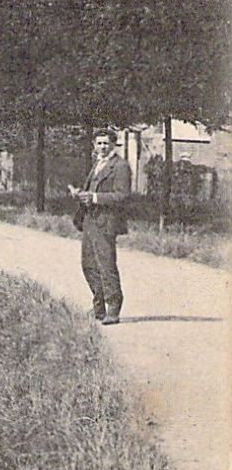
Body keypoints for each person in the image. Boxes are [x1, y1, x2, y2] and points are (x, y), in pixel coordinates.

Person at [72, 130, 130, 325]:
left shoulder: (120, 166)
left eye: (106, 143)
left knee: (106, 265)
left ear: (113, 144)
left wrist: (95, 198)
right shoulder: (97, 163)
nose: (102, 147)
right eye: (99, 143)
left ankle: (113, 308)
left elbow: (122, 196)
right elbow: (92, 190)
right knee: (88, 265)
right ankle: (99, 308)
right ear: (94, 146)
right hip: (90, 220)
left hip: (106, 222)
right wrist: (81, 194)